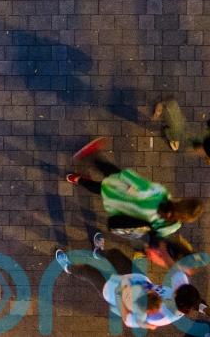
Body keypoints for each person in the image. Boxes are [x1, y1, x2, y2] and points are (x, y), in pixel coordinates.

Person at [67, 137, 203, 252]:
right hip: (118, 206)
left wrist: (125, 175)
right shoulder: (170, 226)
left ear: (182, 201)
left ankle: (92, 155)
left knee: (110, 172)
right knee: (100, 189)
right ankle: (77, 179)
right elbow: (156, 235)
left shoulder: (160, 194)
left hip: (120, 188)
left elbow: (135, 181)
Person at [54, 241, 199, 330]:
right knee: (115, 254)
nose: (177, 286)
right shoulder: (184, 291)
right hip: (136, 278)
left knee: (87, 271)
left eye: (177, 290)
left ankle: (68, 268)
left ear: (177, 298)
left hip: (113, 290)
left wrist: (121, 296)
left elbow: (128, 320)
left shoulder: (159, 315)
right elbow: (176, 271)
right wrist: (164, 251)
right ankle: (99, 253)